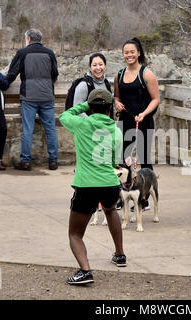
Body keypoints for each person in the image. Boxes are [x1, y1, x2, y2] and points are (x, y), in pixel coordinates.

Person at [59, 89, 126, 285]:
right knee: (111, 210)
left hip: (86, 185)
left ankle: (85, 271)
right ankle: (120, 255)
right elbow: (115, 160)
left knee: (75, 233)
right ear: (109, 108)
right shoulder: (116, 130)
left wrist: (85, 105)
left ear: (90, 107)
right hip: (109, 183)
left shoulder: (81, 124)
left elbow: (64, 115)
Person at [114, 37, 160, 210]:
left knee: (144, 160)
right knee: (122, 159)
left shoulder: (146, 74)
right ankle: (123, 196)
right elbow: (117, 97)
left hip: (143, 121)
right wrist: (116, 102)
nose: (129, 55)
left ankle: (144, 198)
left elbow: (156, 99)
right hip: (124, 121)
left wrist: (144, 113)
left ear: (139, 53)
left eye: (132, 52)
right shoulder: (119, 75)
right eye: (126, 53)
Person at [6, 28, 59, 171]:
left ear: (28, 38)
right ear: (40, 39)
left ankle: (25, 162)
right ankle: (53, 161)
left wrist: (1, 84)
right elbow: (55, 74)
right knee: (50, 130)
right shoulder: (49, 53)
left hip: (29, 96)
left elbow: (11, 74)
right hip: (47, 96)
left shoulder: (22, 53)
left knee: (27, 130)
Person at [72, 52, 112, 117]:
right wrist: (93, 124)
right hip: (88, 125)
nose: (98, 68)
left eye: (100, 64)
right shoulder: (84, 85)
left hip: (105, 125)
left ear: (105, 66)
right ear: (90, 67)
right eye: (94, 65)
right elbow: (77, 110)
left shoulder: (106, 83)